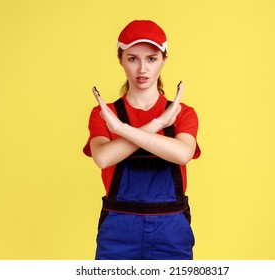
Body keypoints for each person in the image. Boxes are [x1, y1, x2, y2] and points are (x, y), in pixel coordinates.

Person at [83, 20, 201, 260]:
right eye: (133, 58)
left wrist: (120, 130)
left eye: (151, 58)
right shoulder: (105, 114)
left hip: (171, 233)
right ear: (121, 60)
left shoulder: (183, 112)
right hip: (118, 233)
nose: (142, 69)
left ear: (164, 60)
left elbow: (182, 154)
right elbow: (104, 158)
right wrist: (157, 124)